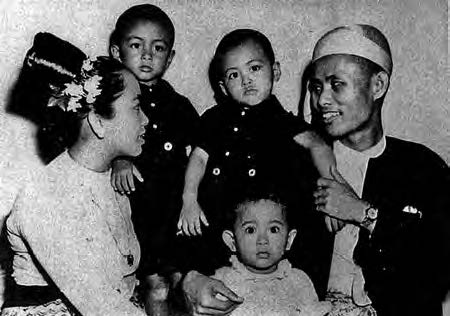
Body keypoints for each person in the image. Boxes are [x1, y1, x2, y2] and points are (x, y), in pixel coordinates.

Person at [306, 24, 449, 316]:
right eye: (316, 87)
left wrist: (364, 214)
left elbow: (439, 266)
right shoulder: (300, 162)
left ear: (378, 85)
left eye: (337, 84)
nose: (321, 100)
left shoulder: (424, 168)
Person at [2, 33, 149, 315]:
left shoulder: (114, 176)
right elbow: (101, 305)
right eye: (136, 107)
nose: (146, 120)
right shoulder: (45, 198)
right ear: (97, 122)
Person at [176, 28, 335, 276]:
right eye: (233, 75)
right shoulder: (214, 120)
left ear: (276, 71)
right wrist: (189, 198)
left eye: (255, 68)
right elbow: (198, 157)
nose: (246, 80)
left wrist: (332, 189)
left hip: (269, 234)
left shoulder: (284, 123)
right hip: (221, 227)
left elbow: (319, 146)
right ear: (223, 87)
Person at [108, 5, 200, 313]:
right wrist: (119, 161)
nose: (147, 56)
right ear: (116, 51)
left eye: (158, 48)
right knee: (155, 286)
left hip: (173, 213)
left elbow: (202, 152)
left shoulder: (180, 106)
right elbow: (98, 144)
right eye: (136, 45)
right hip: (138, 216)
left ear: (170, 57)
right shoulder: (111, 104)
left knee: (183, 281)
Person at [212, 191, 332, 316]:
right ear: (232, 241)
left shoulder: (299, 282)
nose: (263, 240)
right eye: (250, 230)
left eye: (273, 229)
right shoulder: (221, 282)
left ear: (289, 240)